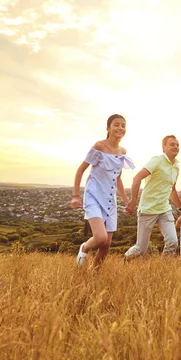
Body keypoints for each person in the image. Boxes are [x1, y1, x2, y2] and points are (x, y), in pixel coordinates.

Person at [70, 114, 135, 268]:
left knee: (106, 245)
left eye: (123, 125)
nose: (120, 128)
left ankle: (94, 275)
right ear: (108, 128)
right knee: (100, 237)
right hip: (93, 197)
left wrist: (127, 202)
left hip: (109, 200)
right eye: (116, 124)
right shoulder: (99, 147)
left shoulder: (122, 152)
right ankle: (84, 248)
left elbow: (118, 179)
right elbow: (80, 171)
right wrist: (76, 196)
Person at [124, 135, 181, 260]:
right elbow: (137, 178)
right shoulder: (157, 160)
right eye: (172, 144)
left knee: (173, 242)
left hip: (164, 209)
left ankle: (164, 269)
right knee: (141, 249)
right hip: (148, 209)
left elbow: (172, 189)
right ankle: (126, 259)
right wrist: (133, 201)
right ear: (164, 147)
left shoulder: (176, 166)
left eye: (177, 145)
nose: (176, 147)